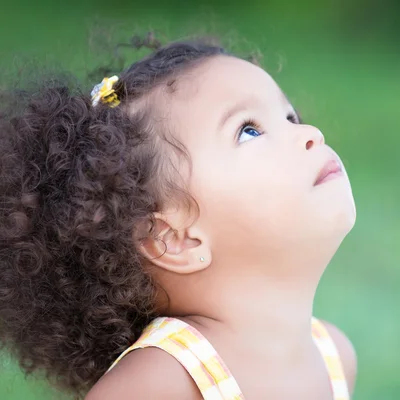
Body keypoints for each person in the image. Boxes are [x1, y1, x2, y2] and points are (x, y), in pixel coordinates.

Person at [0, 37, 357, 400]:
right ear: (174, 239)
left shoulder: (334, 357)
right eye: (249, 130)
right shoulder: (161, 382)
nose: (310, 134)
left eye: (289, 117)